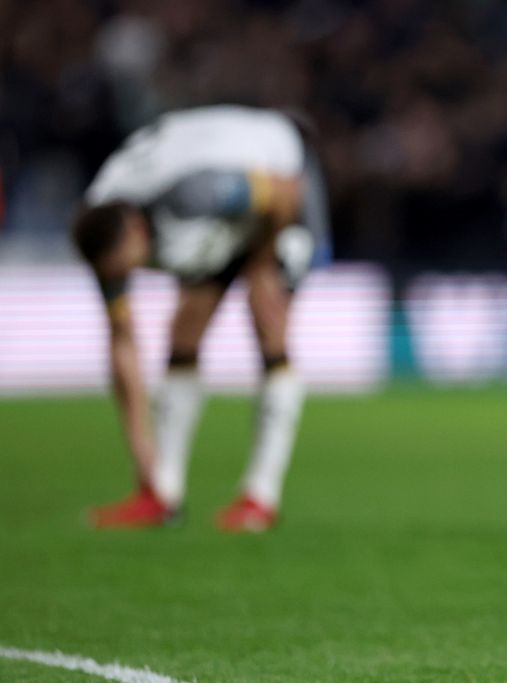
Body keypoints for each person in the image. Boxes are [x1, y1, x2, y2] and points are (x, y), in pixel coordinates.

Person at [71, 105, 330, 532]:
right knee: (186, 329)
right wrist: (141, 452)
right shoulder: (99, 227)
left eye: (129, 267)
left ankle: (260, 498)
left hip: (286, 176)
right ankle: (159, 491)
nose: (128, 277)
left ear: (138, 231)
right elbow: (122, 339)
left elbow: (286, 194)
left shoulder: (195, 193)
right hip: (227, 205)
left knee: (268, 320)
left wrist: (263, 262)